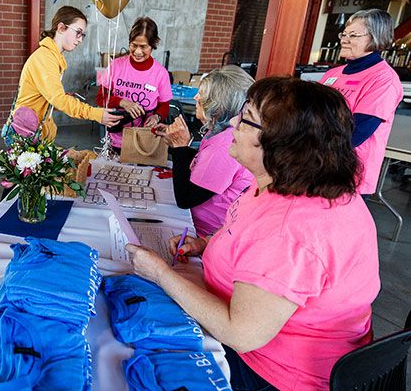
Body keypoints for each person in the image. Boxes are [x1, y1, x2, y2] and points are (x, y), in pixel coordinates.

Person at [126, 77, 379, 391]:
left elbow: (240, 334)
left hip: (274, 373)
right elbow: (247, 235)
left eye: (245, 119)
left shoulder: (290, 230)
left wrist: (160, 273)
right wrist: (207, 244)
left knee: (129, 348)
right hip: (272, 351)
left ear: (280, 144)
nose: (233, 121)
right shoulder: (285, 184)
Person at [155, 65, 254, 237]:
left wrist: (180, 147)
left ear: (218, 105)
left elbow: (186, 198)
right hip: (197, 222)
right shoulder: (220, 131)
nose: (195, 97)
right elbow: (203, 161)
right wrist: (179, 143)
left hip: (203, 233)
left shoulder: (226, 144)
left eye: (202, 94)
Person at [320, 9, 403, 196]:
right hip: (316, 164)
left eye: (353, 35)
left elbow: (358, 131)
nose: (344, 39)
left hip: (346, 171)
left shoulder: (384, 80)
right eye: (344, 34)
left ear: (375, 39)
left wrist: (311, 150)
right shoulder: (332, 74)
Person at [12, 5, 122, 141]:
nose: (80, 39)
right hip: (27, 131)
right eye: (78, 32)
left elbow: (48, 96)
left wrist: (62, 97)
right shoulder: (45, 58)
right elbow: (58, 99)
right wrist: (96, 114)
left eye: (83, 35)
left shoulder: (53, 56)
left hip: (36, 131)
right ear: (61, 28)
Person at [96, 17, 172, 153]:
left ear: (153, 45)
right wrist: (122, 102)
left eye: (143, 47)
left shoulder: (161, 73)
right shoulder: (116, 66)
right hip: (116, 141)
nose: (137, 51)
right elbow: (100, 98)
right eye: (134, 45)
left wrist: (157, 117)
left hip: (145, 142)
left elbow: (164, 105)